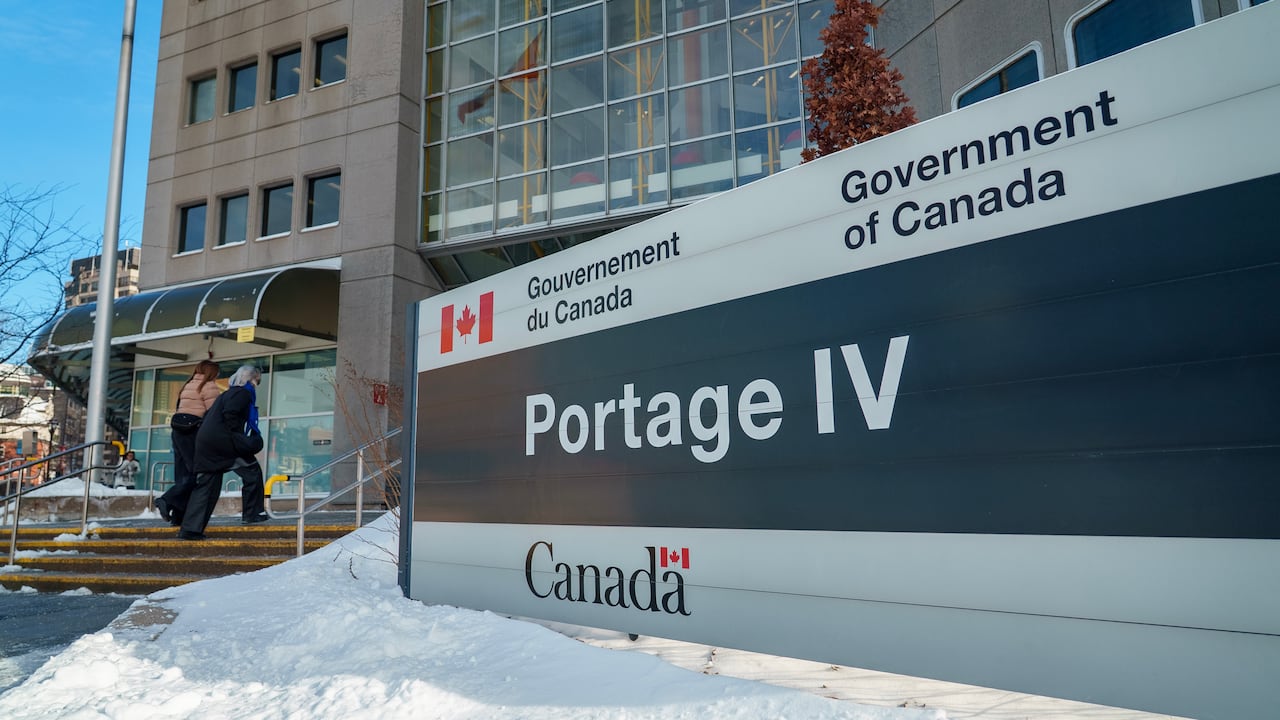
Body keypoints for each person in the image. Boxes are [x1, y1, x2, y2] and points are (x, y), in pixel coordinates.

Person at [179, 365, 267, 540]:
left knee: (207, 485)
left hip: (208, 442)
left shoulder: (228, 393)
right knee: (252, 470)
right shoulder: (242, 393)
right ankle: (252, 514)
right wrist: (238, 440)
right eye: (257, 380)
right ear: (251, 379)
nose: (257, 384)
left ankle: (190, 529)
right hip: (223, 442)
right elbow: (231, 415)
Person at [156, 360, 221, 526]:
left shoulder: (188, 385)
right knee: (194, 475)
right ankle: (166, 500)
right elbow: (214, 415)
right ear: (212, 372)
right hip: (193, 434)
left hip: (178, 432)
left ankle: (178, 517)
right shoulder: (209, 386)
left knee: (183, 476)